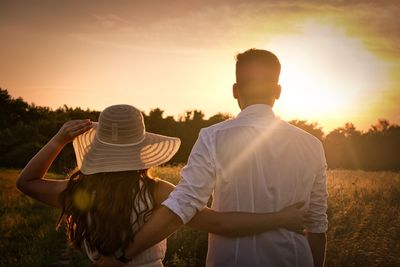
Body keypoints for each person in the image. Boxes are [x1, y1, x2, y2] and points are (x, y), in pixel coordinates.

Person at [16, 104, 309, 267]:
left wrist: (58, 140)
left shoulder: (79, 190)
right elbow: (220, 223)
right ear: (142, 148)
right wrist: (281, 218)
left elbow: (27, 182)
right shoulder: (157, 191)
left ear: (98, 148)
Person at [123, 49, 329, 267]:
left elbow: (184, 204)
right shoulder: (312, 145)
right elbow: (317, 227)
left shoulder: (213, 137)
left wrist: (123, 256)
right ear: (278, 91)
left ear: (235, 90)